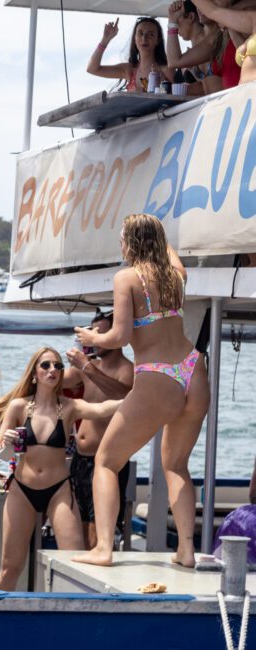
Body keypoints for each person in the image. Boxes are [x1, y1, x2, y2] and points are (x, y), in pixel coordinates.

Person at [73, 213, 210, 569]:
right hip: (193, 368)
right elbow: (169, 252)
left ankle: (104, 549)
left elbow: (118, 336)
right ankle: (185, 550)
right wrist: (155, 230)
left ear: (131, 242)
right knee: (177, 465)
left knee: (105, 461)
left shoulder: (127, 277)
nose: (119, 242)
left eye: (122, 237)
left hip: (157, 375)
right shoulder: (176, 276)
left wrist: (92, 338)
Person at [0, 347, 120, 591]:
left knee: (74, 563)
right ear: (34, 373)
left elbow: (104, 409)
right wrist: (6, 445)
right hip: (22, 489)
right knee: (9, 567)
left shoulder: (69, 407)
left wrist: (142, 394)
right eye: (45, 365)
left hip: (59, 490)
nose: (52, 370)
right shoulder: (18, 407)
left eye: (58, 366)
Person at [63, 311, 134, 549]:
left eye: (101, 333)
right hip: (80, 461)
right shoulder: (89, 365)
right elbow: (56, 381)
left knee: (99, 532)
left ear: (117, 336)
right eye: (92, 333)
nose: (94, 338)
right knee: (78, 529)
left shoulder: (128, 369)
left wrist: (87, 368)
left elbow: (123, 395)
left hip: (106, 463)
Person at [87, 17, 174, 91]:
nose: (144, 38)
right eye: (140, 33)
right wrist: (105, 40)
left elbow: (184, 96)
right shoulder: (129, 70)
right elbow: (92, 69)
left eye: (151, 34)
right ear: (134, 38)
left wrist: (162, 89)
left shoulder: (166, 70)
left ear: (158, 40)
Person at [165, 0, 222, 94]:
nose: (200, 10)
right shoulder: (200, 43)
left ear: (191, 17)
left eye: (177, 20)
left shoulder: (215, 38)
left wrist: (172, 23)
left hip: (227, 103)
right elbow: (204, 85)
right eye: (198, 7)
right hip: (213, 104)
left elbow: (173, 62)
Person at [193, 0, 256, 84]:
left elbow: (212, 11)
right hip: (244, 94)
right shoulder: (253, 18)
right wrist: (229, 26)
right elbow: (212, 11)